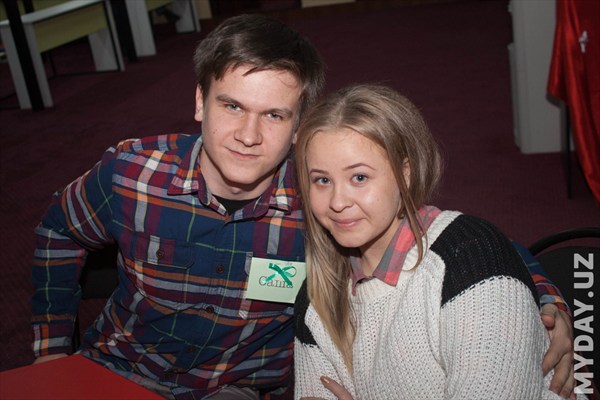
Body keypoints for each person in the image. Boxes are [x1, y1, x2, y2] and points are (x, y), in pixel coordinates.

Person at [30, 14, 573, 400]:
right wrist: (51, 349)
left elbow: (455, 240)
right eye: (231, 106)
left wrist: (549, 306)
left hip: (237, 388)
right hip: (121, 370)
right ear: (199, 101)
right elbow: (58, 229)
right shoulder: (132, 174)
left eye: (274, 115)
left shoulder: (320, 199)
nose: (248, 135)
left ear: (298, 126)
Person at [292, 84, 584, 400]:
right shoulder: (317, 295)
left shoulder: (470, 259)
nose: (337, 201)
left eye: (359, 178)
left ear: (405, 174)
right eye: (322, 180)